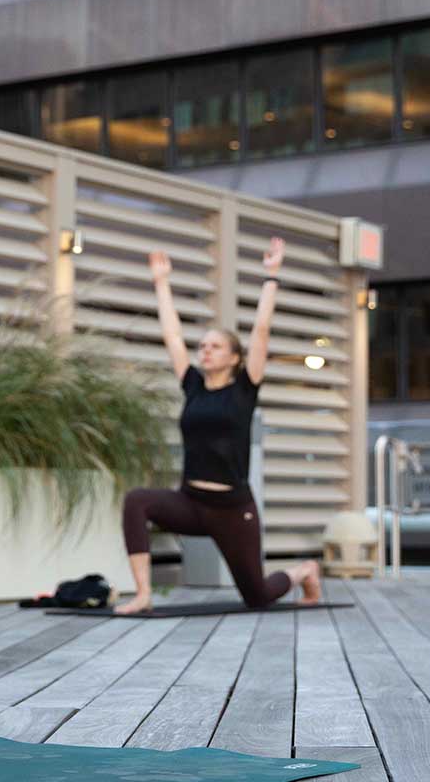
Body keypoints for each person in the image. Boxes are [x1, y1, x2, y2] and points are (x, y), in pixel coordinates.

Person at [115, 237, 323, 615]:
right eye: (203, 346)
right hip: (191, 502)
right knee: (137, 501)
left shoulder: (244, 389)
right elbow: (173, 335)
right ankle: (143, 593)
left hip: (232, 508)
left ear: (234, 358)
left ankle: (304, 571)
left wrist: (271, 276)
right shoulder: (193, 386)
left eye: (214, 346)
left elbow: (260, 331)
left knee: (257, 597)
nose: (204, 350)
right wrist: (161, 282)